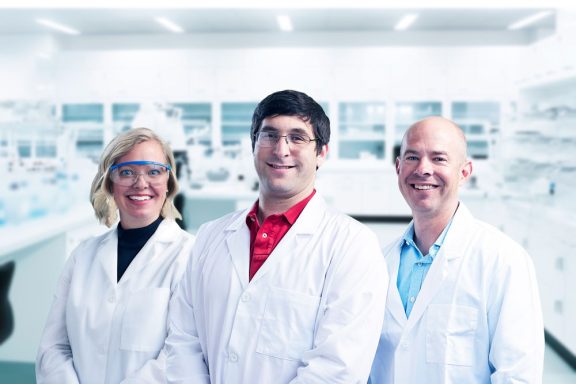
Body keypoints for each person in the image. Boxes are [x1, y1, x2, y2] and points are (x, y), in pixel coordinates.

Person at [164, 90, 388, 383]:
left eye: (297, 138)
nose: (281, 150)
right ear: (253, 145)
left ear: (321, 153)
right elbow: (183, 341)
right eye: (269, 135)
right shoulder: (210, 236)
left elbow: (337, 368)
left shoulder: (353, 246)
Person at [369, 116, 544, 383]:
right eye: (412, 157)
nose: (423, 169)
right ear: (398, 167)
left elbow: (518, 375)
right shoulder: (379, 262)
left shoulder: (503, 260)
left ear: (464, 172)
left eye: (439, 158)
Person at [36, 128, 194, 384]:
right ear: (109, 183)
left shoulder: (190, 257)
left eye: (154, 171)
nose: (141, 183)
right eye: (127, 172)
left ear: (168, 182)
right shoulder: (83, 256)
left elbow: (181, 354)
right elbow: (53, 347)